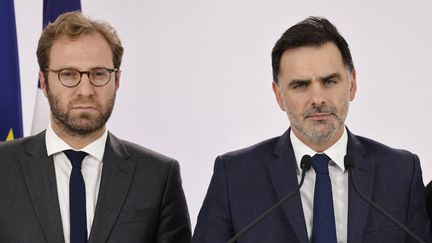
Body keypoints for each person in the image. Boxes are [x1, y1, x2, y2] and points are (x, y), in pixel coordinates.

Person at [192, 17, 431, 243]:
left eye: (329, 81)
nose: (317, 98)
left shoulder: (401, 172)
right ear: (279, 96)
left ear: (352, 85)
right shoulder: (234, 175)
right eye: (300, 85)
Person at [0, 12, 191, 243]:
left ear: (117, 81)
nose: (85, 90)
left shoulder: (158, 176)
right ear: (43, 82)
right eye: (68, 74)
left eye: (98, 74)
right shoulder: (4, 168)